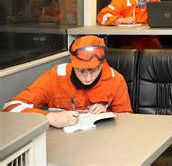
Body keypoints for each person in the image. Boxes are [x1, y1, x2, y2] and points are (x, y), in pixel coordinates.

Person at [3, 35, 132, 128]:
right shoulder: (54, 76)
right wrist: (49, 118)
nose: (87, 78)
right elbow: (11, 107)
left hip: (102, 145)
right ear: (72, 62)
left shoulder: (116, 80)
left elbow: (128, 122)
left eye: (93, 70)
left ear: (102, 63)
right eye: (81, 71)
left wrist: (108, 113)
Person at [97, 0, 162, 49]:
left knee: (160, 58)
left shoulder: (155, 1)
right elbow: (102, 16)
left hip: (149, 40)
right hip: (127, 41)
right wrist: (120, 20)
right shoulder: (123, 0)